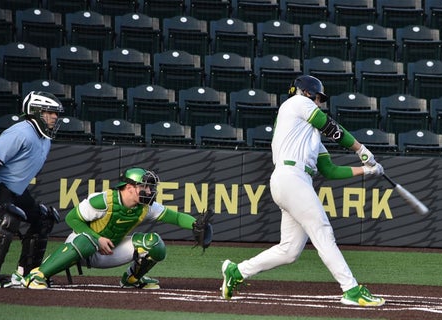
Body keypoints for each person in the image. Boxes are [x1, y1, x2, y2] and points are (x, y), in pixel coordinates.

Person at [221, 75, 386, 307]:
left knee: (289, 250)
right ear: (307, 92)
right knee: (322, 231)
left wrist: (366, 171)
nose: (319, 103)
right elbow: (330, 126)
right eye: (318, 98)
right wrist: (361, 149)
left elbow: (329, 170)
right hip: (291, 177)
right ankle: (351, 290)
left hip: (295, 181)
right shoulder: (296, 102)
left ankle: (237, 271)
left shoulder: (308, 133)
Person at [21, 167, 213, 289]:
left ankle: (131, 279)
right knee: (86, 240)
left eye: (150, 188)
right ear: (129, 187)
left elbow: (176, 217)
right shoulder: (103, 200)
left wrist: (195, 225)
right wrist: (97, 239)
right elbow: (72, 219)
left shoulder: (145, 207)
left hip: (111, 251)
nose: (150, 192)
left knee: (155, 244)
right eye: (145, 187)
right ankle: (37, 275)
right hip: (82, 248)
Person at [0, 91, 64, 288]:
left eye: (56, 113)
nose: (55, 117)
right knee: (8, 219)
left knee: (43, 218)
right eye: (50, 112)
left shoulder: (45, 139)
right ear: (36, 112)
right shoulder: (20, 132)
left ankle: (27, 272)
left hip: (17, 190)